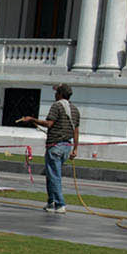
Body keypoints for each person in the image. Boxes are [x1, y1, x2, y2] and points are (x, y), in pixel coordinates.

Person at [19, 82, 81, 213]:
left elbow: (49, 123)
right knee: (51, 174)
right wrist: (75, 148)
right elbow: (76, 131)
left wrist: (32, 119)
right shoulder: (75, 109)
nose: (54, 94)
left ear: (60, 94)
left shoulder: (56, 106)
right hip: (66, 146)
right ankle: (51, 201)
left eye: (56, 92)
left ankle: (60, 204)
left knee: (54, 176)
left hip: (55, 146)